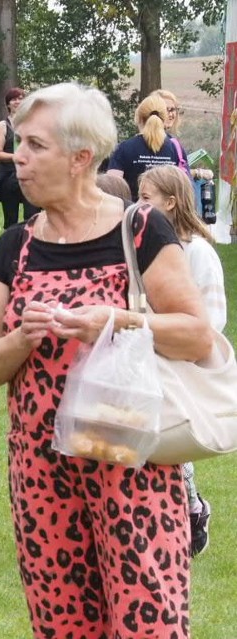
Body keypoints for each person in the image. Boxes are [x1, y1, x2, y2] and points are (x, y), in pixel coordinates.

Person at [0, 82, 213, 639]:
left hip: (132, 465)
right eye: (20, 145)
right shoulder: (14, 246)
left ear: (81, 158)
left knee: (149, 625)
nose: (18, 159)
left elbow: (196, 335)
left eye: (34, 146)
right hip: (41, 475)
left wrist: (119, 321)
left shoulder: (140, 229)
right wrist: (21, 340)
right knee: (63, 627)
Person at [138, 164, 225, 558]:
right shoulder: (144, 247)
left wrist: (177, 338)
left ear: (170, 202)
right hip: (145, 355)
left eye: (145, 199)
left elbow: (211, 317)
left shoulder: (198, 252)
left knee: (172, 437)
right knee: (144, 437)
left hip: (182, 362)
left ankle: (191, 507)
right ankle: (162, 514)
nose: (136, 206)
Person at [107, 93, 180, 200]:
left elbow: (112, 187)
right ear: (164, 119)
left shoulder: (124, 148)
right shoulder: (175, 148)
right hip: (166, 213)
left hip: (133, 211)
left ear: (139, 118)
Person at [0, 87, 38, 229]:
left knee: (32, 217)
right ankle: (11, 247)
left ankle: (31, 247)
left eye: (21, 98)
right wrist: (16, 157)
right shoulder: (3, 125)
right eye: (14, 99)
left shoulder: (33, 124)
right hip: (9, 176)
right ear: (8, 104)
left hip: (31, 175)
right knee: (11, 220)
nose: (18, 101)